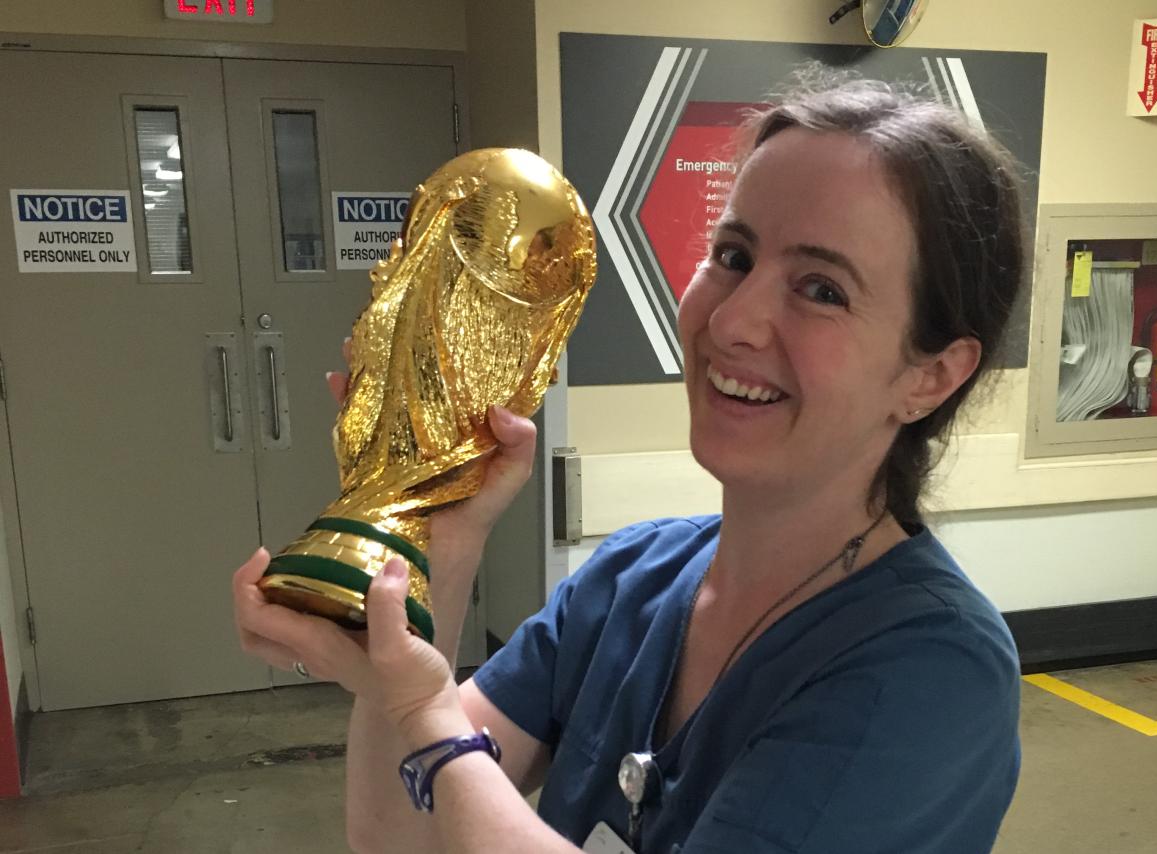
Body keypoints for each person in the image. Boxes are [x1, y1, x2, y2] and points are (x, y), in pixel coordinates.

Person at [233, 71, 1027, 853]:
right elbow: (399, 838)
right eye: (735, 255)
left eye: (821, 289)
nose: (735, 319)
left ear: (932, 376)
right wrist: (439, 533)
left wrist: (423, 711)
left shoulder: (931, 672)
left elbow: (433, 744)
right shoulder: (627, 583)